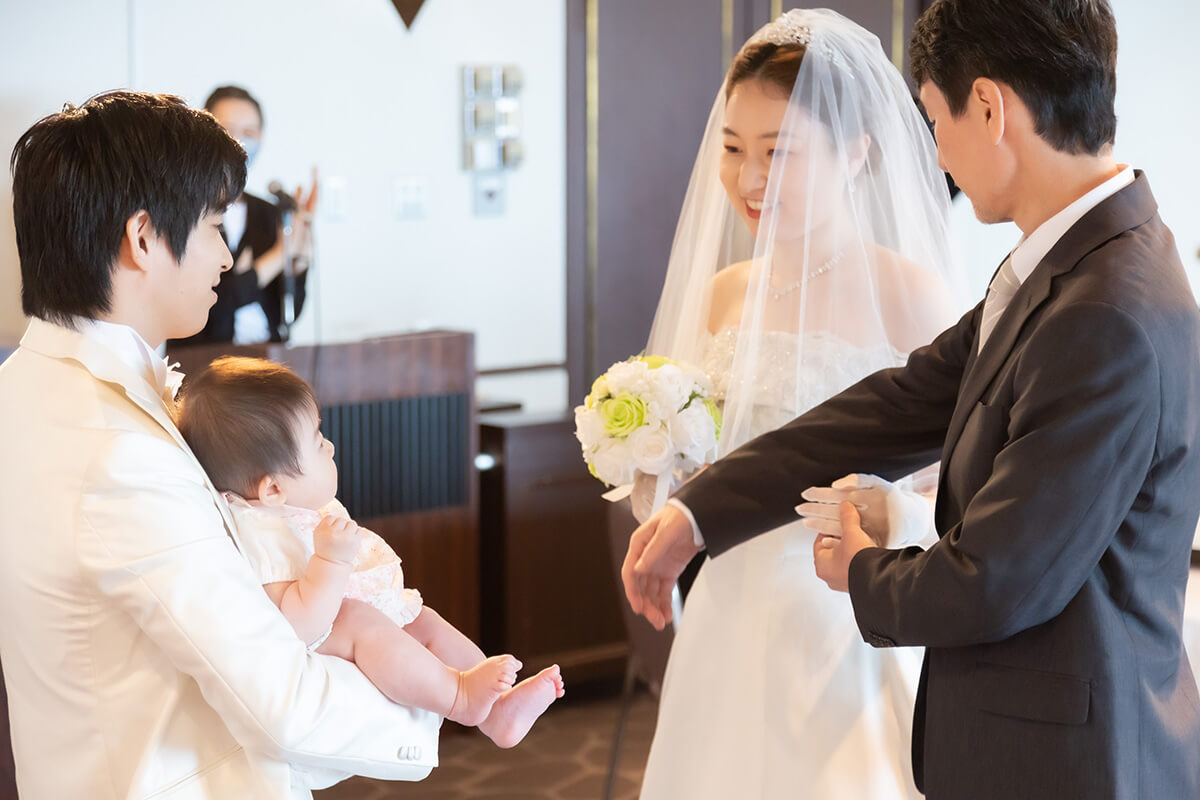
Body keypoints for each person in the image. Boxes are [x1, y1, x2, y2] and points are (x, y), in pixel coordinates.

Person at [623, 1, 1200, 797]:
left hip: (1070, 758)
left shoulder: (1104, 308)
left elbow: (996, 579)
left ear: (990, 107)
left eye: (935, 120)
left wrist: (861, 567)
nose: (935, 157)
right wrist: (697, 512)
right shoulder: (1065, 261)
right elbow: (897, 405)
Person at [0, 90, 439, 799]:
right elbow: (282, 703)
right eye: (212, 226)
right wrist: (439, 700)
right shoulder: (117, 450)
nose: (228, 256)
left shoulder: (23, 387)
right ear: (143, 238)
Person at [632, 9, 965, 798]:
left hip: (847, 614)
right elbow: (702, 460)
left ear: (855, 152)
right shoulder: (724, 295)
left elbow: (955, 477)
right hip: (728, 608)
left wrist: (885, 509)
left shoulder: (909, 293)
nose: (749, 181)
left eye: (780, 155)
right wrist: (657, 475)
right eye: (734, 151)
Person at [177, 356, 565, 747]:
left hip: (336, 616)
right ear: (273, 489)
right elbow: (297, 625)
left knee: (421, 620)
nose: (329, 446)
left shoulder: (284, 509)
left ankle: (498, 711)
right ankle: (461, 698)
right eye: (316, 442)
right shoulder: (262, 530)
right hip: (319, 634)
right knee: (361, 621)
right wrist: (331, 561)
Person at [173, 85, 317, 346]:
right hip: (200, 363)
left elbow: (287, 314)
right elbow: (214, 308)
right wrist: (277, 256)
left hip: (266, 362)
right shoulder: (185, 211)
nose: (239, 142)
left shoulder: (271, 213)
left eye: (249, 133)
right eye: (227, 131)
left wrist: (297, 262)